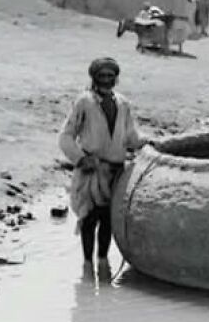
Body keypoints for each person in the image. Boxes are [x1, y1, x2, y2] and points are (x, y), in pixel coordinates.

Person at [58, 57, 151, 270]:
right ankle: (87, 264)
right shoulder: (84, 102)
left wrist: (147, 143)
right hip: (92, 172)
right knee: (89, 219)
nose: (107, 80)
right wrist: (81, 159)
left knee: (109, 220)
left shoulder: (123, 104)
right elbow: (65, 136)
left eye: (111, 76)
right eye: (102, 76)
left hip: (116, 172)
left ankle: (103, 262)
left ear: (116, 78)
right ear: (94, 77)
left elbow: (131, 136)